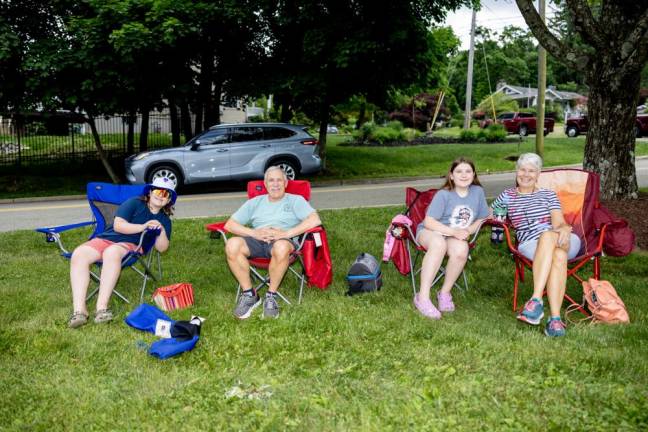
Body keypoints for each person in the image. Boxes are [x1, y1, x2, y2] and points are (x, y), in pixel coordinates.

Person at [491, 153, 581, 337]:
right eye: (522, 169)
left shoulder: (548, 194)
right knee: (559, 256)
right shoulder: (506, 196)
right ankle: (555, 320)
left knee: (549, 236)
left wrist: (564, 228)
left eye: (531, 171)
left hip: (561, 238)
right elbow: (488, 214)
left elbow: (558, 223)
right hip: (530, 244)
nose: (526, 174)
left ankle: (536, 300)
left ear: (538, 174)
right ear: (516, 172)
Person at [67, 177, 176, 328]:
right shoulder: (134, 203)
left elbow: (162, 248)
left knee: (111, 253)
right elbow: (118, 225)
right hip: (106, 238)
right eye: (158, 190)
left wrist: (162, 230)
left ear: (169, 200)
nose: (160, 195)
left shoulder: (164, 220)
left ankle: (101, 308)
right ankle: (79, 311)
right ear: (150, 192)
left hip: (131, 246)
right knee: (79, 254)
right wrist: (143, 227)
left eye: (166, 194)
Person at [225, 166, 321, 319]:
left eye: (279, 180)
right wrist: (253, 233)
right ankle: (250, 295)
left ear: (286, 183)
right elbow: (230, 225)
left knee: (281, 246)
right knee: (232, 244)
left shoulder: (296, 200)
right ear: (265, 184)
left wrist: (285, 233)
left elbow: (315, 220)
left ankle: (271, 296)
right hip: (257, 240)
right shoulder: (255, 202)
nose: (275, 184)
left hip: (284, 242)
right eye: (271, 180)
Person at [413, 157, 489, 319]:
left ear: (474, 174)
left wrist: (468, 230)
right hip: (432, 231)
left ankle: (445, 293)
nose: (464, 175)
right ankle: (423, 297)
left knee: (462, 249)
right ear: (451, 176)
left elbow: (482, 217)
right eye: (459, 171)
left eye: (468, 171)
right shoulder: (444, 194)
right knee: (439, 243)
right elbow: (429, 221)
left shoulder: (477, 192)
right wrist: (453, 232)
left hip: (454, 235)